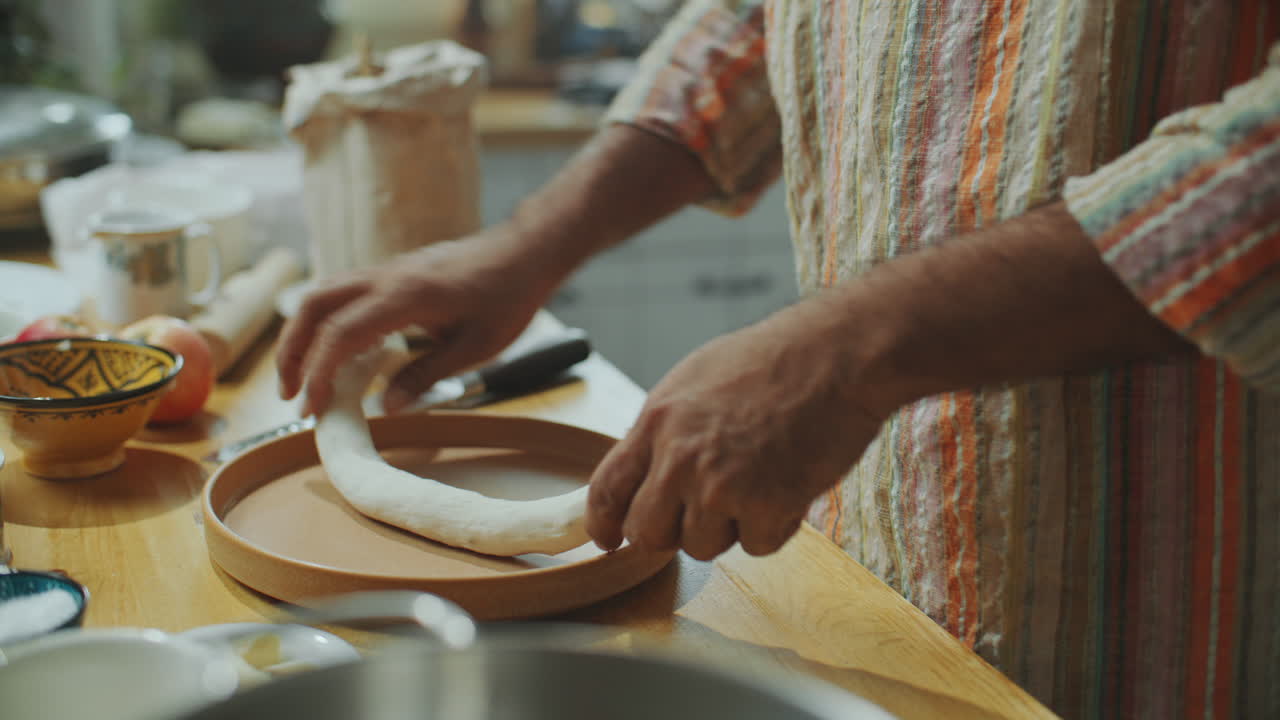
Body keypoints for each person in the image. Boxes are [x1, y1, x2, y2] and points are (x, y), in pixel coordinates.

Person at [278, 2, 1280, 717]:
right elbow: (753, 24)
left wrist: (843, 349)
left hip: (1165, 625)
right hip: (857, 581)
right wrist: (528, 242)